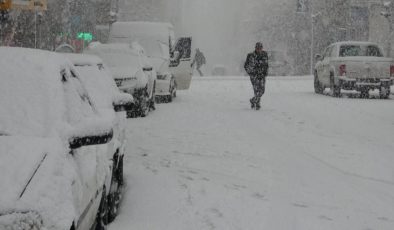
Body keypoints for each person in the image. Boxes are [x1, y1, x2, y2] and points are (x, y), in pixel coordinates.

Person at [244, 42, 269, 110]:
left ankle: (253, 100)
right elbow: (246, 65)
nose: (259, 49)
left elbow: (266, 64)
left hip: (262, 75)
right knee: (256, 89)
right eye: (257, 48)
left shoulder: (265, 54)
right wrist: (250, 72)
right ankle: (257, 104)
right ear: (255, 48)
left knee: (262, 90)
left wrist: (266, 72)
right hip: (254, 75)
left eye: (260, 48)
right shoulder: (250, 55)